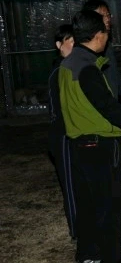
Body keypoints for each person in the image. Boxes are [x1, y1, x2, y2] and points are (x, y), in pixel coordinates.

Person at [59, 10, 121, 263]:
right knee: (112, 207)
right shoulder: (88, 68)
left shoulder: (68, 63)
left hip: (78, 144)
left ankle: (88, 257)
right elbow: (107, 107)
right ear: (98, 36)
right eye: (106, 32)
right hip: (101, 144)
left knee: (88, 205)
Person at [82, 0, 121, 206]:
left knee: (118, 150)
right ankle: (110, 194)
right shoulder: (87, 48)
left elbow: (113, 71)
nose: (109, 19)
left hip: (110, 101)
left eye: (109, 15)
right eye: (104, 15)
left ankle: (119, 192)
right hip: (99, 107)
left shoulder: (104, 42)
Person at [48, 24, 76, 240]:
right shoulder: (59, 72)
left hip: (75, 133)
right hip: (64, 135)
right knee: (71, 186)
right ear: (59, 45)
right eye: (70, 41)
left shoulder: (73, 68)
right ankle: (77, 231)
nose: (75, 45)